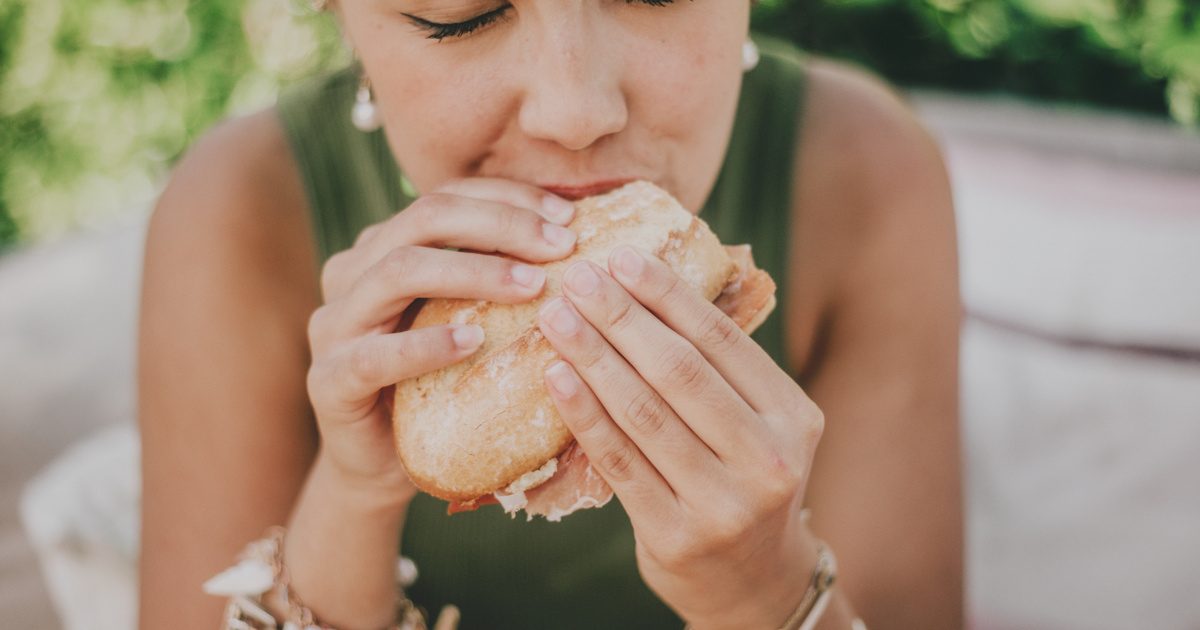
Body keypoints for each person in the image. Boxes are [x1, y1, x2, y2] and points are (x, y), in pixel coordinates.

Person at [137, 1, 963, 628]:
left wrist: (767, 591)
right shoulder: (236, 216)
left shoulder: (869, 178)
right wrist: (352, 501)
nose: (575, 113)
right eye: (462, 13)